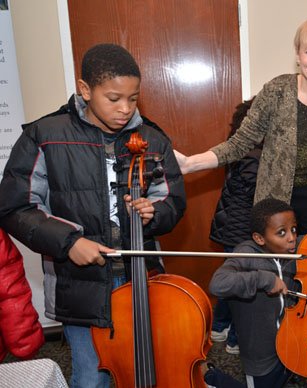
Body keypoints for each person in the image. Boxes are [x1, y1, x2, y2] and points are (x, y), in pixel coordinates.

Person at [0, 43, 186, 388]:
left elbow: (172, 200)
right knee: (91, 375)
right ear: (85, 90)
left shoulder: (152, 139)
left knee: (149, 366)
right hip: (79, 283)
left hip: (141, 276)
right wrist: (69, 242)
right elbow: (15, 207)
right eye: (113, 98)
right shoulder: (44, 136)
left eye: (133, 98)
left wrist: (154, 213)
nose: (125, 109)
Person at [174, 16, 307, 236]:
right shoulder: (276, 91)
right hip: (276, 206)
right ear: (298, 55)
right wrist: (189, 164)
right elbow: (239, 144)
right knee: (276, 270)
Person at [209, 198, 307, 388]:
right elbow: (218, 283)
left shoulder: (290, 249)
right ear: (259, 238)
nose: (291, 237)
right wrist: (264, 279)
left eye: (293, 229)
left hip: (292, 342)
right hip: (262, 356)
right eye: (282, 233)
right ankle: (213, 378)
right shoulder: (246, 254)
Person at [208, 97, 257, 354]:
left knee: (231, 278)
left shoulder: (238, 146)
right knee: (243, 286)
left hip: (232, 227)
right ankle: (236, 339)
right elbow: (254, 190)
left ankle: (219, 326)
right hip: (244, 230)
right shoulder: (255, 153)